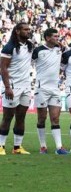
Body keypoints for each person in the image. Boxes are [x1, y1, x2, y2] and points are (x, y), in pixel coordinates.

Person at [0, 23, 34, 155]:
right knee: (8, 116)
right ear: (18, 31)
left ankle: (17, 147)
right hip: (12, 86)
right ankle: (1, 146)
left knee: (21, 116)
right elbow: (3, 68)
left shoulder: (30, 45)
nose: (28, 31)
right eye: (25, 29)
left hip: (26, 86)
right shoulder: (9, 47)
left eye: (29, 29)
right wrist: (7, 87)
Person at [33, 28, 68, 154]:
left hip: (55, 89)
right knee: (42, 118)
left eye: (58, 36)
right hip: (42, 88)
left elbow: (69, 54)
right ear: (47, 38)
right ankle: (43, 146)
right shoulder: (38, 51)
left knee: (55, 118)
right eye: (55, 36)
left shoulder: (60, 49)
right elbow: (28, 62)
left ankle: (59, 147)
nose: (57, 38)